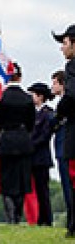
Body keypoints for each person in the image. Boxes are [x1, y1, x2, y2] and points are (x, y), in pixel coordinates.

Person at [0, 63, 36, 224]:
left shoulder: (1, 98)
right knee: (22, 180)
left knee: (7, 180)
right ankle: (18, 214)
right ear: (20, 77)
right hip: (23, 140)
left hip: (7, 140)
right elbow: (31, 123)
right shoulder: (28, 98)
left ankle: (11, 216)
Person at [52, 24, 75, 237]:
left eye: (65, 43)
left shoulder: (71, 67)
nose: (62, 48)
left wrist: (58, 114)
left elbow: (71, 96)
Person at [27, 82, 54, 226]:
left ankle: (46, 218)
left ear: (40, 96)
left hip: (41, 157)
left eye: (33, 94)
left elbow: (45, 135)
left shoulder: (47, 114)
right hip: (33, 157)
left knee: (43, 189)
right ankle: (38, 218)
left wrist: (30, 144)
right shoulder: (32, 114)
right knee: (35, 190)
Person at [51, 70, 72, 228]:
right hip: (62, 147)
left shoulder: (66, 105)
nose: (52, 86)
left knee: (69, 186)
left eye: (55, 82)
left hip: (66, 147)